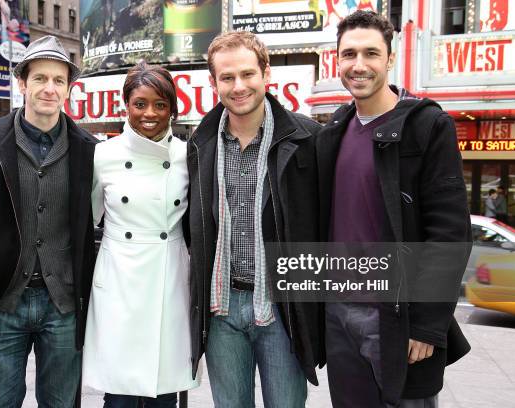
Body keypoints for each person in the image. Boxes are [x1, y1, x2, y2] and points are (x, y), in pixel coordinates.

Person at [316, 11, 472, 407]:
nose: (359, 64)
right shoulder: (334, 129)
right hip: (338, 311)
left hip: (396, 316)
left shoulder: (427, 126)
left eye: (371, 52)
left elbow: (450, 233)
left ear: (390, 58)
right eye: (349, 54)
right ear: (337, 60)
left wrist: (427, 324)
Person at [0, 35, 97, 407]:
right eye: (40, 79)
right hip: (1, 302)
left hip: (62, 304)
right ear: (22, 83)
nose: (49, 88)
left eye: (58, 81)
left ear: (68, 88)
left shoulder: (91, 151)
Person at [187, 31, 324, 407]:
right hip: (222, 307)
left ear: (266, 74)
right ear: (213, 83)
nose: (239, 86)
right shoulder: (200, 145)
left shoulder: (309, 140)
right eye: (227, 77)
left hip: (283, 308)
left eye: (248, 74)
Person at [82, 62, 200, 408]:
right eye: (140, 104)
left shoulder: (188, 154)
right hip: (119, 281)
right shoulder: (102, 155)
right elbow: (85, 220)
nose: (150, 114)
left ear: (172, 110)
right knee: (118, 393)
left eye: (160, 105)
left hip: (169, 277)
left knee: (164, 391)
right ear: (126, 106)